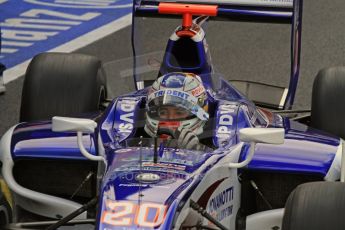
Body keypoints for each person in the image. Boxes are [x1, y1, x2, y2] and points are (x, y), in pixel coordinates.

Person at [144, 72, 210, 150]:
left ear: (200, 113)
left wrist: (197, 150)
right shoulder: (137, 134)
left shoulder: (215, 139)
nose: (170, 118)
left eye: (179, 113)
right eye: (163, 112)